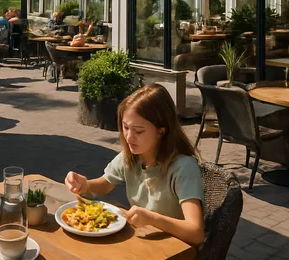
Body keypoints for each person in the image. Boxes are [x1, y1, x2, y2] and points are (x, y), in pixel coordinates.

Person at [64, 84, 205, 246]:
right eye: (125, 127)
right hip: (142, 242)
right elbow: (105, 184)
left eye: (138, 131)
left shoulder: (184, 168)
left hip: (175, 250)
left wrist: (153, 219)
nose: (129, 137)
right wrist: (85, 185)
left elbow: (196, 233)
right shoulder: (130, 157)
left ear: (161, 131)